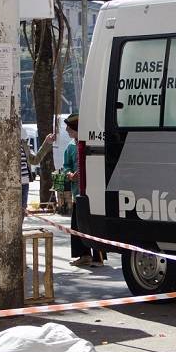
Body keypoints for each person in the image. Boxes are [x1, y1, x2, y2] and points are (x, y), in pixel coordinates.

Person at [64, 114, 104, 267]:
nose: (67, 130)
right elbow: (67, 165)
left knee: (93, 224)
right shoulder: (70, 147)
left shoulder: (90, 143)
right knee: (77, 225)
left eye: (70, 128)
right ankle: (84, 255)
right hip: (77, 191)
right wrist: (69, 174)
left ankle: (98, 256)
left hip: (92, 191)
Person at [21, 132, 54, 211]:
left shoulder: (23, 143)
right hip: (11, 183)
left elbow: (35, 160)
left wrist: (47, 142)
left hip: (24, 182)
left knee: (22, 209)